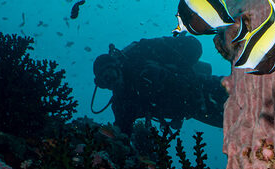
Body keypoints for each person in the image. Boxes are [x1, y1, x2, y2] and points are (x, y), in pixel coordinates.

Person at [92, 36, 227, 135]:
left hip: (205, 86)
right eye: (106, 82)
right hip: (197, 111)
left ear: (117, 66)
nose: (112, 82)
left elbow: (193, 46)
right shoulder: (122, 103)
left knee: (246, 91)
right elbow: (122, 133)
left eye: (111, 75)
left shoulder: (141, 55)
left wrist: (166, 75)